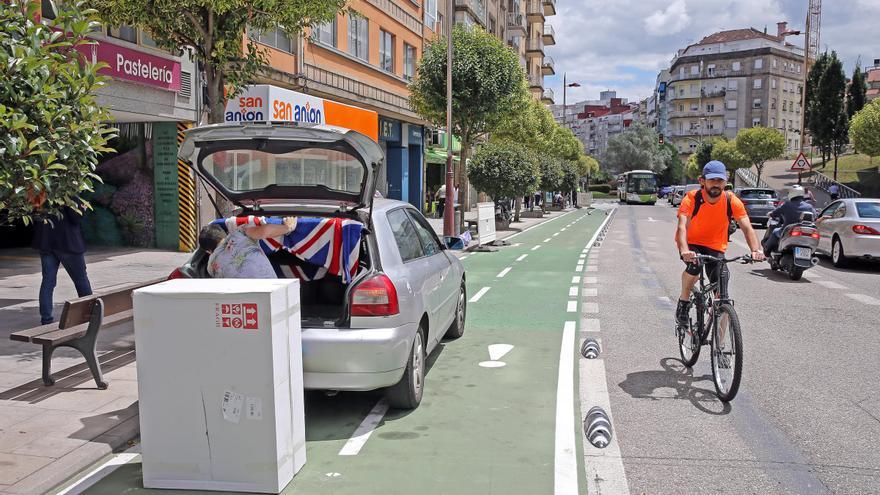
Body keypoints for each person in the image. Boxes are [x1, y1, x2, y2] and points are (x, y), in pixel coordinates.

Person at [674, 161, 765, 328]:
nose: (716, 184)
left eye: (720, 180)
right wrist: (685, 250)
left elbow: (746, 226)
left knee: (723, 286)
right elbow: (682, 226)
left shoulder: (731, 200)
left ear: (725, 181)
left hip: (715, 246)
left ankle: (720, 349)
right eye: (712, 180)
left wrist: (756, 249)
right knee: (694, 267)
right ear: (702, 181)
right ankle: (684, 301)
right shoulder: (692, 198)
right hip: (692, 243)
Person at [32, 205, 92, 325]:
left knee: (48, 282)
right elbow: (76, 217)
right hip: (68, 243)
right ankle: (89, 314)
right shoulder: (69, 192)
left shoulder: (41, 191)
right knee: (81, 280)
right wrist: (83, 208)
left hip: (47, 243)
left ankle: (46, 319)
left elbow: (35, 217)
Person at [208, 217, 296, 279]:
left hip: (244, 302)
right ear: (225, 233)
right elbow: (265, 231)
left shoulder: (211, 268)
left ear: (208, 251)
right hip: (268, 287)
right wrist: (287, 227)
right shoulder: (239, 233)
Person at [762, 185, 816, 256]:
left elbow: (775, 213)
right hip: (805, 233)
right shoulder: (809, 206)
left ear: (792, 193)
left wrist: (770, 214)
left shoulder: (787, 204)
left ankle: (767, 250)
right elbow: (815, 216)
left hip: (788, 230)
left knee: (775, 231)